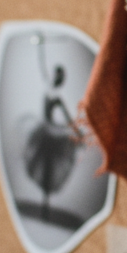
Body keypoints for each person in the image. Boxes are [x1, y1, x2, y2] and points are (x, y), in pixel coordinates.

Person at [22, 64, 83, 224]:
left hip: (51, 136)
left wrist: (75, 132)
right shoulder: (48, 93)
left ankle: (45, 207)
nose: (57, 80)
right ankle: (44, 207)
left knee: (49, 170)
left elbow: (68, 118)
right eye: (57, 77)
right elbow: (48, 118)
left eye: (59, 78)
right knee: (44, 168)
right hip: (45, 135)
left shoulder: (56, 98)